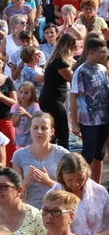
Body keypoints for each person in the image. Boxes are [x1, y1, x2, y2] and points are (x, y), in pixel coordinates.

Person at [49, 152, 109, 235]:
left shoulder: (100, 192)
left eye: (80, 179)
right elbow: (47, 228)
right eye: (70, 180)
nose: (76, 184)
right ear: (61, 176)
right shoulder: (53, 196)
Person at [69, 36, 109, 183]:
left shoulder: (103, 69)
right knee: (88, 154)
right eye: (102, 52)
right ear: (91, 52)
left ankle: (97, 185)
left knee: (100, 154)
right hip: (89, 120)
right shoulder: (81, 71)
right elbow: (73, 97)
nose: (104, 54)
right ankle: (83, 184)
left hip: (104, 118)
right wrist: (74, 122)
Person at [12, 111, 70, 210]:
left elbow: (71, 189)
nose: (39, 131)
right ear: (30, 130)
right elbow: (14, 193)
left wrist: (49, 182)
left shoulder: (62, 154)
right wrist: (26, 182)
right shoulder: (19, 155)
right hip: (29, 211)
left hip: (57, 209)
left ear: (52, 132)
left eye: (44, 128)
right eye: (35, 128)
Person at [39, 33, 76, 149]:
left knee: (54, 132)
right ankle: (63, 159)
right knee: (63, 132)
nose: (75, 50)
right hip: (53, 101)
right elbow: (73, 80)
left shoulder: (55, 61)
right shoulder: (60, 63)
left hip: (50, 99)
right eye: (74, 47)